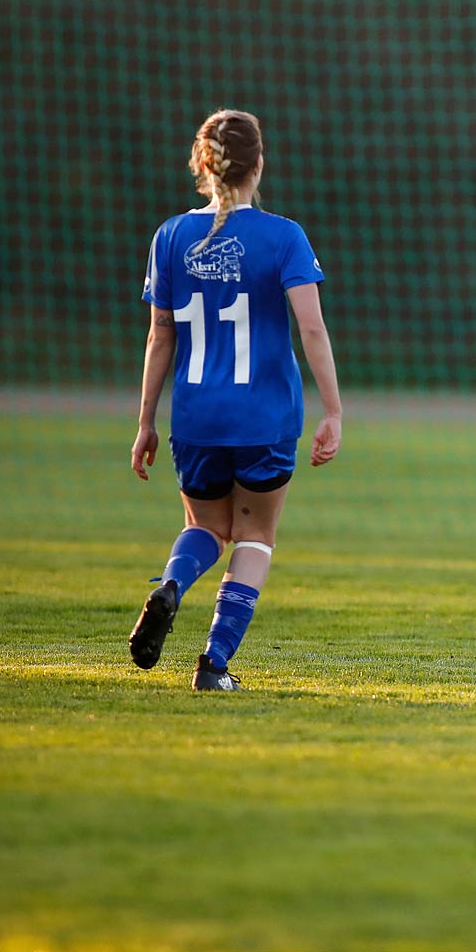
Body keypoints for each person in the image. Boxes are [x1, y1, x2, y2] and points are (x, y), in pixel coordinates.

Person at [129, 109, 343, 691]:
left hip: (195, 415)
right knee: (253, 537)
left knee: (205, 526)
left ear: (203, 164)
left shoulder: (170, 236)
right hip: (264, 417)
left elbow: (160, 335)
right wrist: (334, 410)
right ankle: (214, 665)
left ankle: (171, 583)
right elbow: (313, 330)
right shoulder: (283, 236)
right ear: (259, 164)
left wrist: (145, 421)